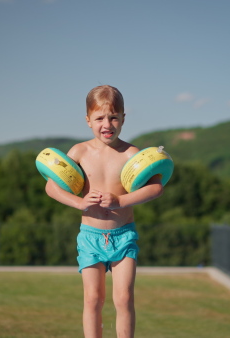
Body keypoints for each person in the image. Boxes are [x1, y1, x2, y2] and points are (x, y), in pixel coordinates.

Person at [44, 85, 164, 338]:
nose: (107, 123)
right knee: (93, 300)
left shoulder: (132, 154)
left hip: (123, 237)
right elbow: (51, 186)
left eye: (113, 117)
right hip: (90, 237)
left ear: (122, 119)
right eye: (99, 118)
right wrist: (79, 203)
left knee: (123, 299)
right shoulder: (79, 152)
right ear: (88, 121)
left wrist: (120, 201)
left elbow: (156, 187)